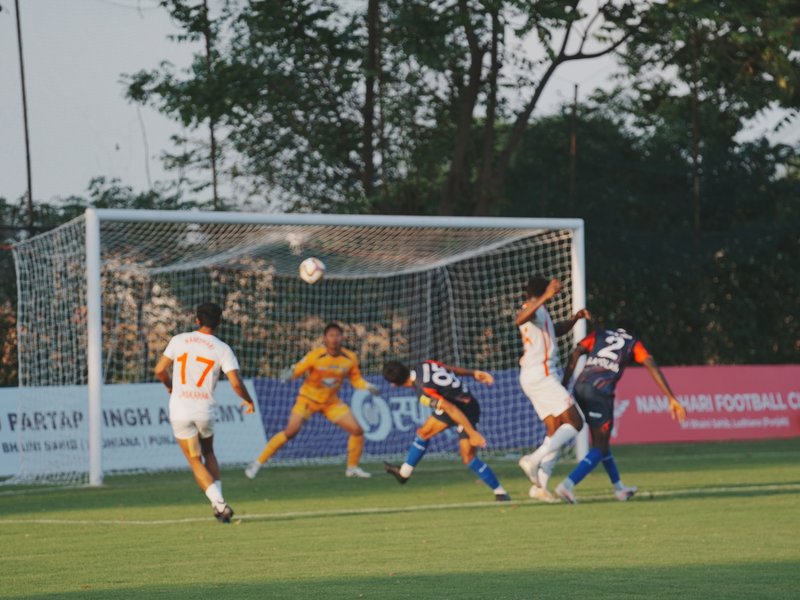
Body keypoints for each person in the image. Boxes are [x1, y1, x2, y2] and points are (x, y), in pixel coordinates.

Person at [555, 319, 687, 503]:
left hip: (581, 386)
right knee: (599, 446)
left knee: (602, 440)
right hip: (600, 391)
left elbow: (577, 352)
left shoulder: (599, 334)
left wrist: (564, 383)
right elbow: (649, 362)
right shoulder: (632, 342)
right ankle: (567, 485)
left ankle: (619, 489)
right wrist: (671, 397)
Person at [154, 302, 256, 524]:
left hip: (180, 410)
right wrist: (248, 400)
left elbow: (160, 369)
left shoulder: (179, 340)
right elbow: (236, 383)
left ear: (197, 320)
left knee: (194, 459)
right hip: (204, 410)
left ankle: (219, 503)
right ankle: (218, 506)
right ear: (219, 322)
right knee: (209, 452)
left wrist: (170, 385)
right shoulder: (222, 348)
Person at [245, 322, 379, 479]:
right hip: (308, 400)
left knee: (357, 430)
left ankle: (352, 468)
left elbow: (356, 379)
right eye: (331, 336)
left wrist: (367, 386)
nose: (335, 339)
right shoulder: (315, 356)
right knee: (290, 432)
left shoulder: (350, 358)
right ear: (325, 338)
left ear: (342, 338)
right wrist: (290, 374)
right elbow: (298, 370)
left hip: (331, 402)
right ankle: (257, 463)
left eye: (337, 335)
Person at [382, 359, 510, 501]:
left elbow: (450, 408)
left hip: (465, 411)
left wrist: (473, 433)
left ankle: (500, 492)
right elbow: (449, 369)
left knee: (468, 457)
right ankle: (404, 473)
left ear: (394, 385)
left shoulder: (424, 393)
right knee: (423, 433)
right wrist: (473, 373)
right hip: (457, 404)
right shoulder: (424, 364)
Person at [516, 275, 591, 502]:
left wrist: (575, 319)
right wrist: (546, 297)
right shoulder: (532, 307)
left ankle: (541, 485)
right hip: (541, 375)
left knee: (556, 430)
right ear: (543, 290)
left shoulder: (540, 311)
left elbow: (554, 330)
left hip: (534, 376)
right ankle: (533, 459)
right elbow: (519, 319)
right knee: (576, 422)